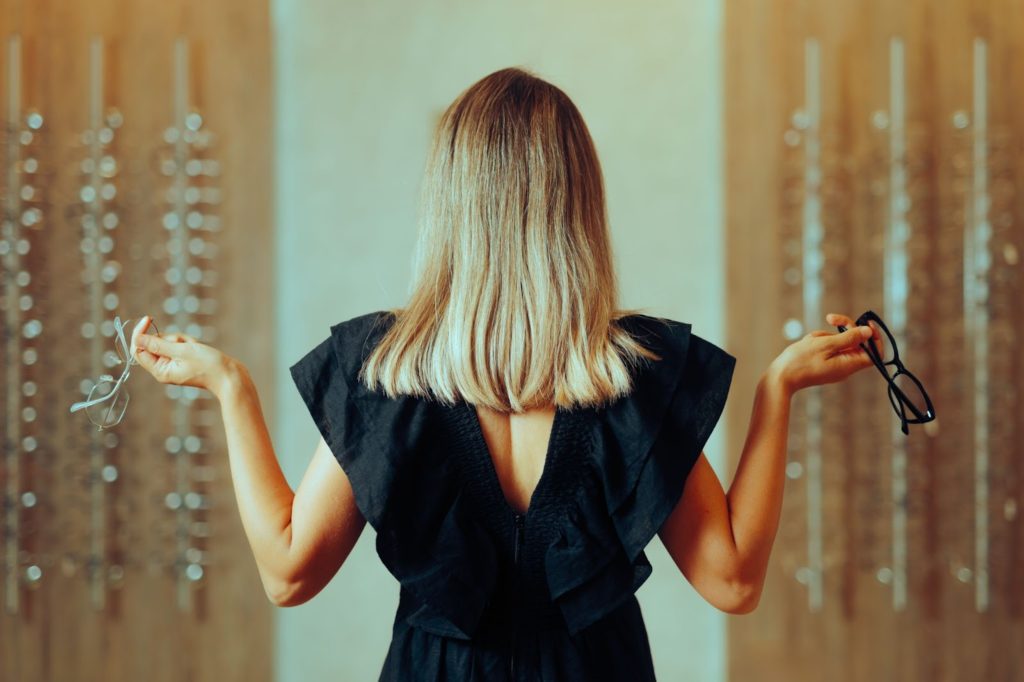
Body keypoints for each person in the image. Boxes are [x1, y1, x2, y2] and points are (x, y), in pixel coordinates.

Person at [132, 67, 880, 681]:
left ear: (452, 206)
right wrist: (775, 392)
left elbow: (288, 575)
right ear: (578, 206)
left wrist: (231, 390)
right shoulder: (638, 378)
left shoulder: (387, 375)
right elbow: (734, 583)